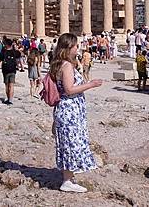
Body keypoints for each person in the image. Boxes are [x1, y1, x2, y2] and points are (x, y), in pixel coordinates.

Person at [50, 33, 101, 193]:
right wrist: (90, 85)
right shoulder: (66, 66)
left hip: (69, 110)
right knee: (71, 144)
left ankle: (69, 177)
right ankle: (66, 181)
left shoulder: (62, 64)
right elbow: (69, 89)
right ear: (69, 47)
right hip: (69, 110)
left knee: (70, 143)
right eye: (76, 45)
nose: (78, 48)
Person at [0, 38, 20, 104]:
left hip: (5, 70)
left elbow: (0, 59)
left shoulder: (3, 52)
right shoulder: (14, 52)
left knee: (7, 86)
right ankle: (10, 100)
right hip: (13, 70)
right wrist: (15, 48)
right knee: (12, 85)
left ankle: (8, 98)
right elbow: (19, 54)